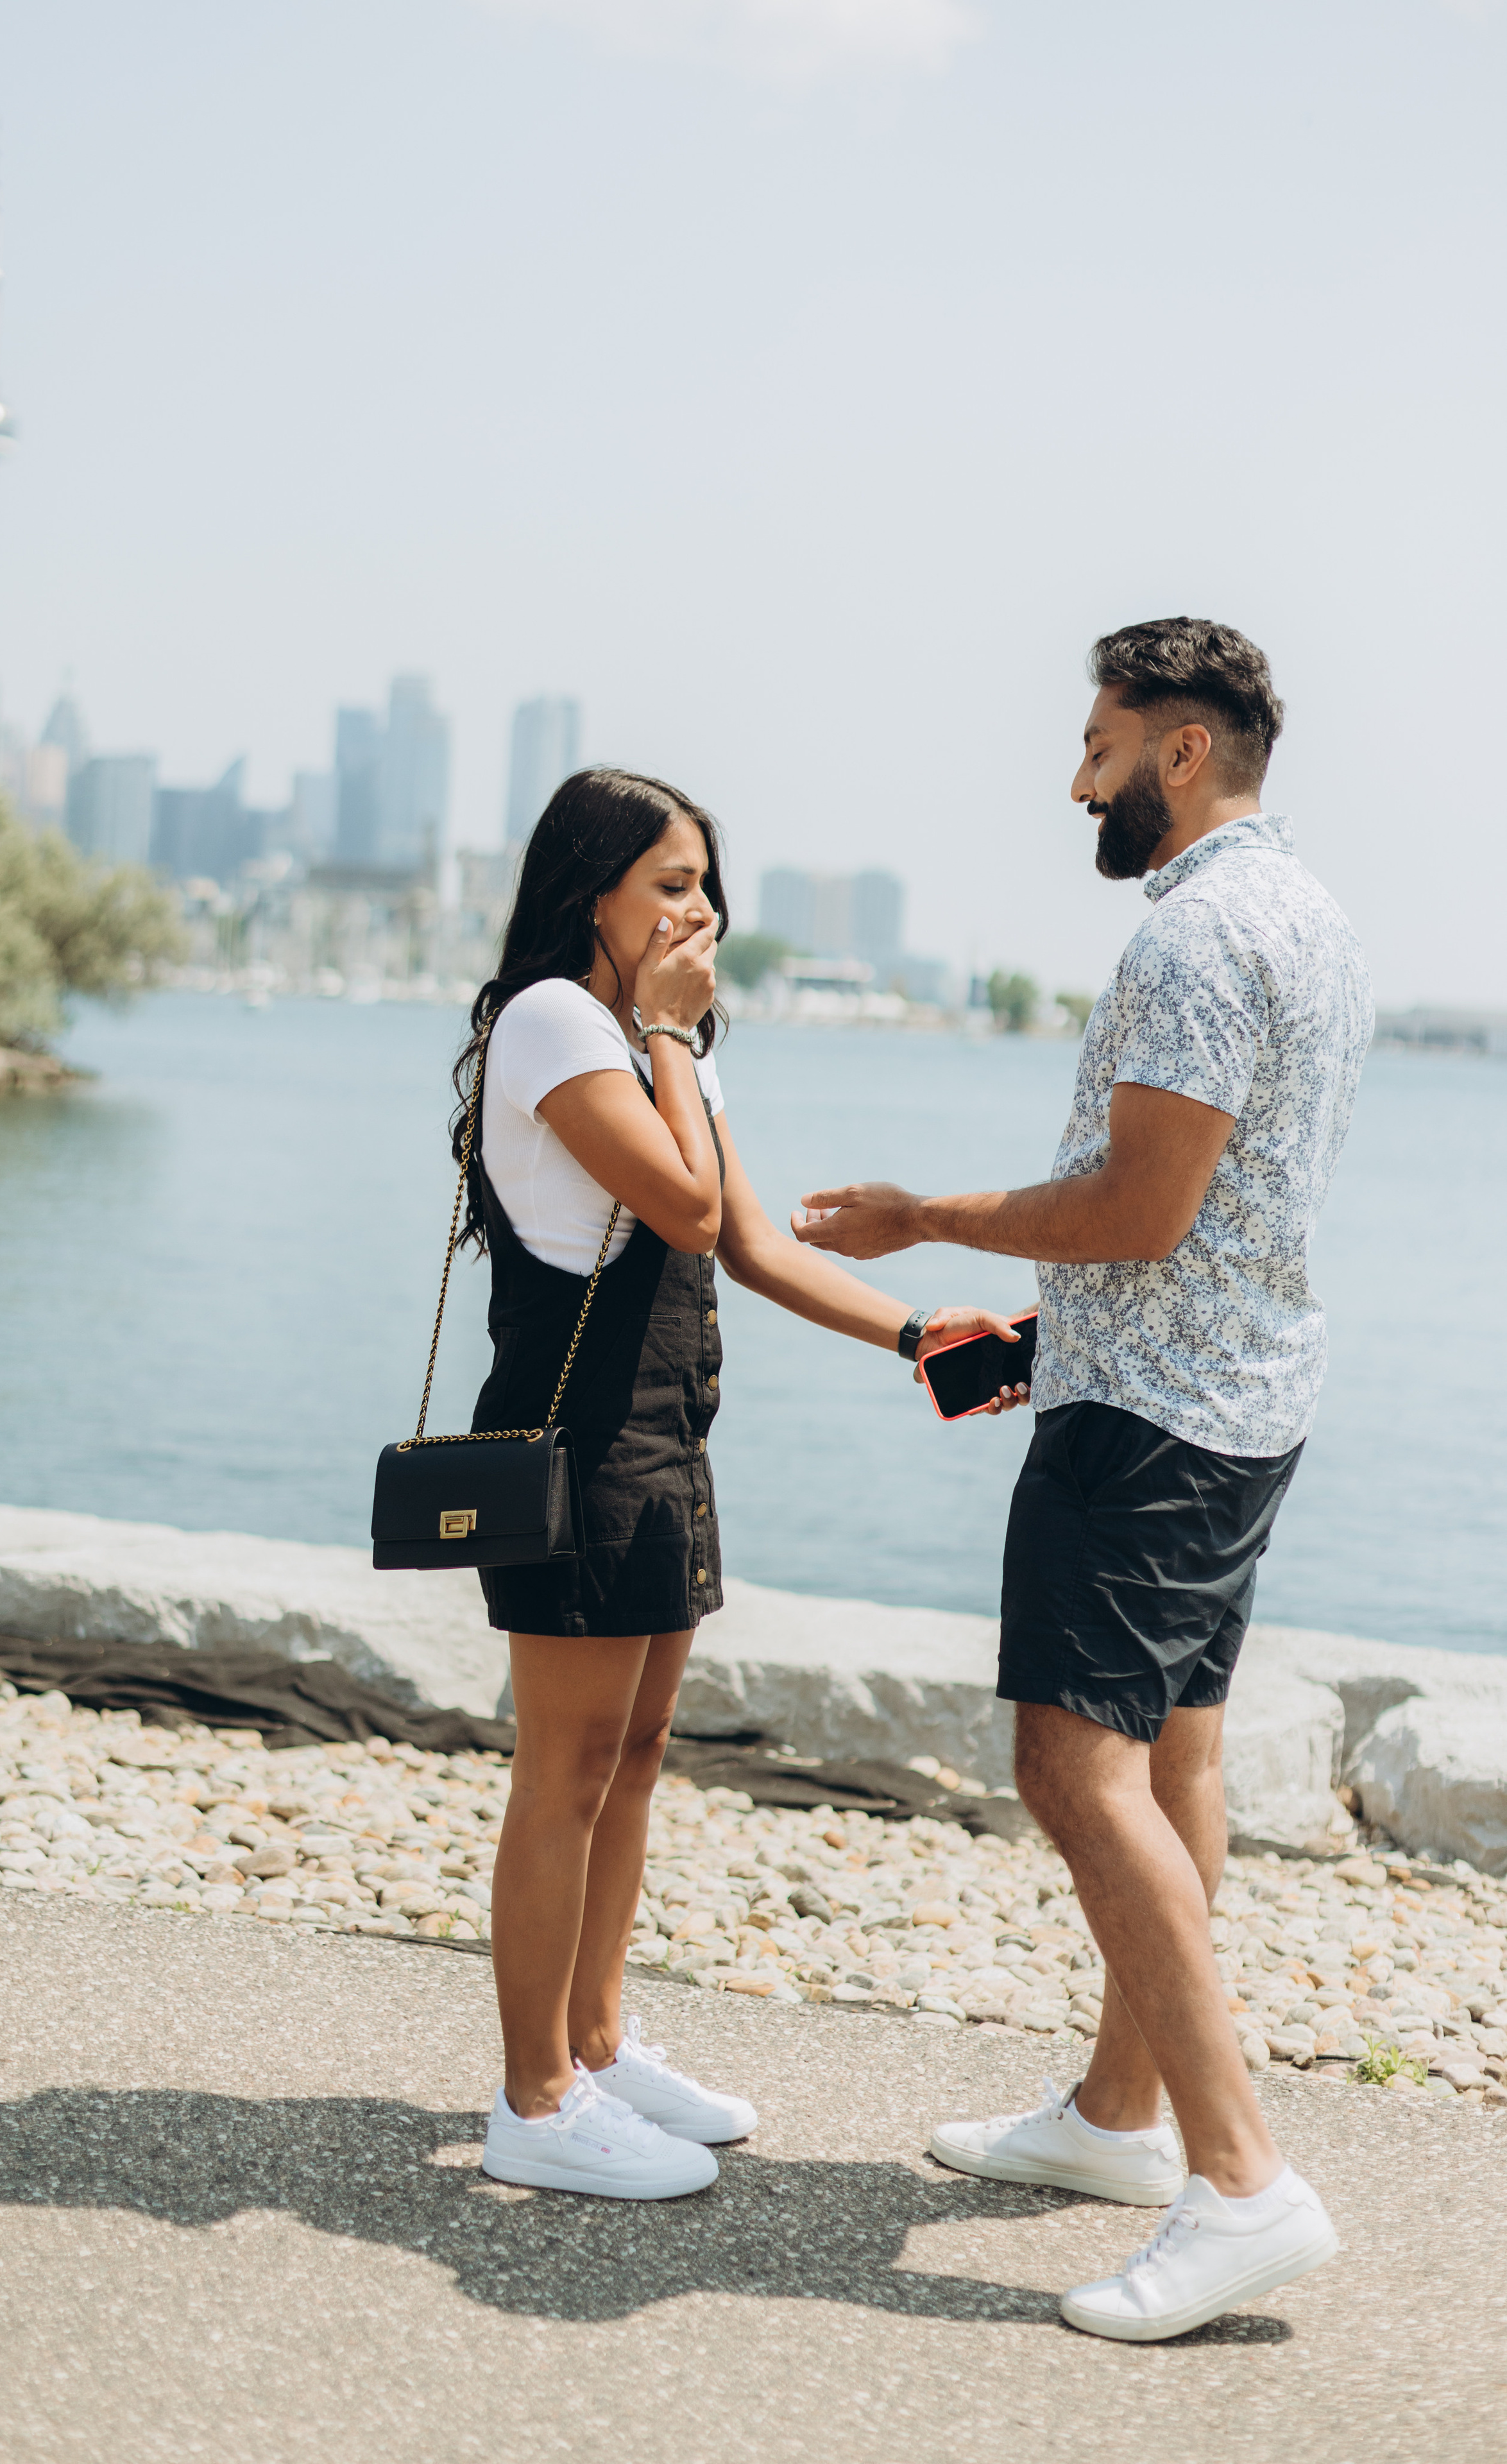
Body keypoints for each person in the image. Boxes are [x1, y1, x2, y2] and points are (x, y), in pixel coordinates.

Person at [795, 618, 1374, 2341]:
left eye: (1102, 742)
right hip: (1234, 1399)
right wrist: (1050, 1341)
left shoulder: (1198, 938)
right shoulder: (1319, 922)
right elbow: (1227, 1217)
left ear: (1181, 750)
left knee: (1069, 1766)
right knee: (1169, 1751)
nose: (1079, 776)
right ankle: (1127, 2121)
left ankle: (1247, 2182)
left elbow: (1139, 1211)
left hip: (1156, 1431)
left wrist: (923, 1218)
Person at [460, 767, 1025, 2202]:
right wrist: (661, 1030)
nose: (698, 908)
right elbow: (685, 1209)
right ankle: (531, 2100)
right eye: (668, 882)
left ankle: (592, 2045)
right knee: (564, 1769)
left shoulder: (667, 1043)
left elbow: (750, 1248)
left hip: (664, 1435)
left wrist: (916, 1335)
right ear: (588, 888)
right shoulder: (553, 1023)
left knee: (634, 1762)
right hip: (573, 1443)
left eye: (707, 883)